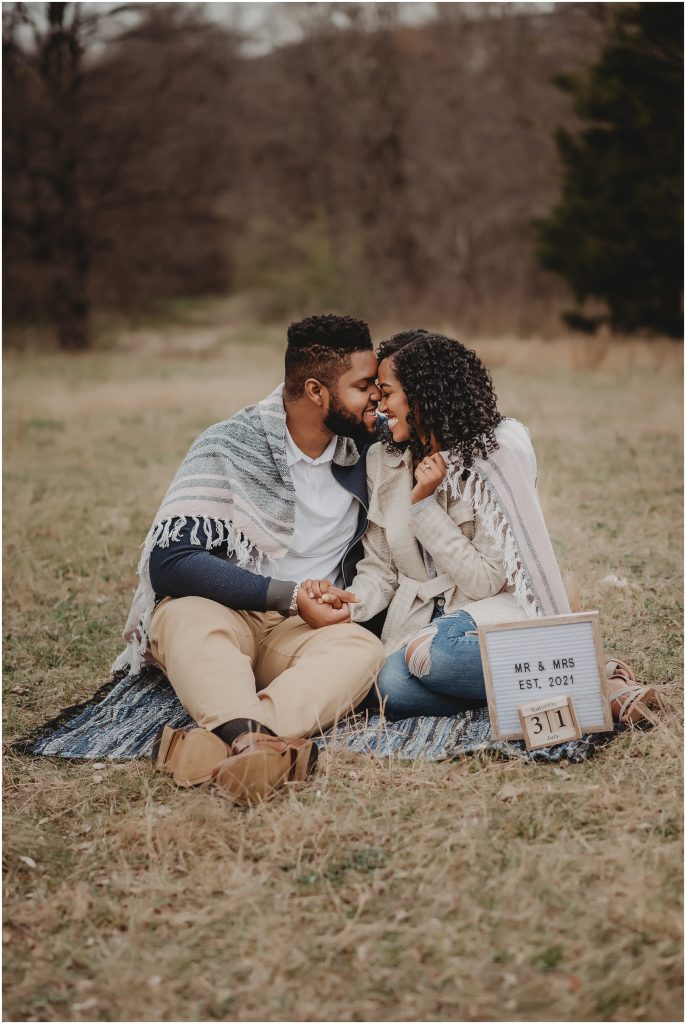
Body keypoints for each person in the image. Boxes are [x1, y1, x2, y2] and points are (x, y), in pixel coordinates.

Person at [311, 329, 658, 725]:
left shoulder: (490, 461)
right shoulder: (382, 462)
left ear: (423, 397)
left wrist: (424, 505)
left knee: (436, 653)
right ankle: (550, 684)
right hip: (419, 622)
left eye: (388, 392)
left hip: (488, 610)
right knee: (390, 688)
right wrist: (349, 604)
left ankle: (595, 681)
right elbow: (380, 569)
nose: (381, 406)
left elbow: (484, 581)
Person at [114, 314, 385, 804]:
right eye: (364, 385)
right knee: (186, 620)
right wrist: (287, 595)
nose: (377, 397)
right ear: (317, 391)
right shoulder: (230, 444)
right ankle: (261, 745)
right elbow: (170, 561)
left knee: (362, 652)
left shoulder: (372, 450)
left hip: (304, 632)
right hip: (225, 612)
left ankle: (231, 741)